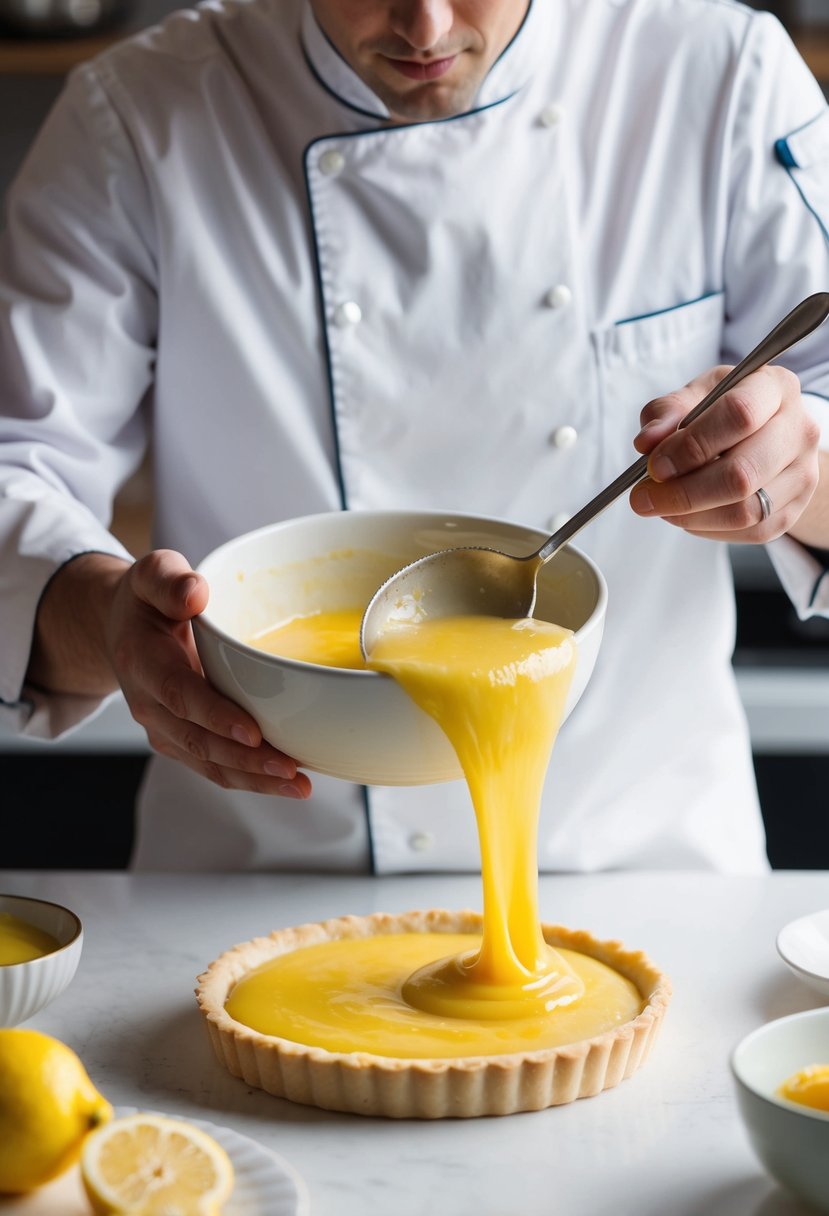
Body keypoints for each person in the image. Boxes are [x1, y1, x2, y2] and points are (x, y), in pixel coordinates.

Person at [1, 0, 828, 874]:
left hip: (639, 871)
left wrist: (798, 465)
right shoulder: (136, 113)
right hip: (262, 872)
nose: (424, 28)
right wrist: (109, 621)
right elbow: (16, 465)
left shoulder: (718, 72)